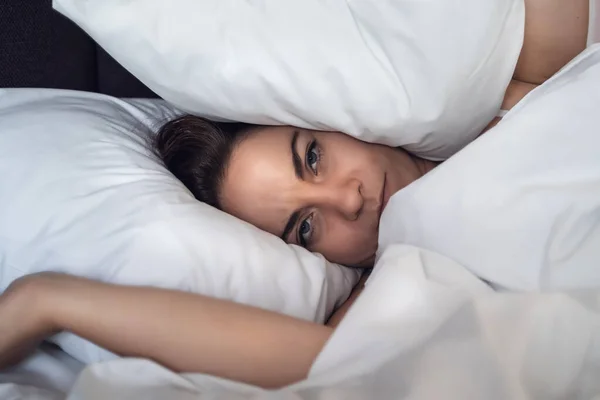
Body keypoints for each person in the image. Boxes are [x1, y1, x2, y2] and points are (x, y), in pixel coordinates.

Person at [0, 0, 596, 390]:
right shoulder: (385, 282)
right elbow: (326, 365)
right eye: (304, 228)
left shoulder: (520, 91)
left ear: (329, 119)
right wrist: (48, 300)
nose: (349, 201)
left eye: (313, 157)